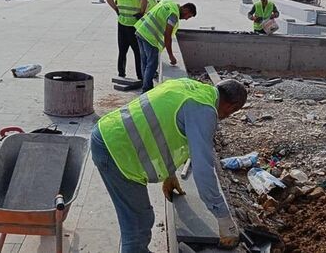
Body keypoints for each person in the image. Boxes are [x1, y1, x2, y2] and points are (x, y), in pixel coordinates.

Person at [91, 77, 247, 252]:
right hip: (116, 151)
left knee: (139, 218)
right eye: (231, 113)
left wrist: (169, 173)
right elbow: (203, 170)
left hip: (112, 134)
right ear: (232, 106)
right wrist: (224, 217)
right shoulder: (204, 111)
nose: (225, 117)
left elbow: (161, 129)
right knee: (137, 223)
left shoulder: (189, 87)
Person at [134, 0, 196, 93]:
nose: (187, 19)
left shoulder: (169, 3)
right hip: (150, 38)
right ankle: (146, 90)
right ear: (185, 9)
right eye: (189, 16)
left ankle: (146, 85)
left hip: (141, 30)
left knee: (145, 61)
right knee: (151, 64)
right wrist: (171, 56)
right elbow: (168, 35)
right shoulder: (174, 15)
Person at [105, 0, 148, 80]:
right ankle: (140, 75)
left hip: (122, 23)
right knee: (138, 52)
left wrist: (116, 9)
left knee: (122, 51)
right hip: (134, 25)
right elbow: (144, 0)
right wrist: (142, 12)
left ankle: (121, 74)